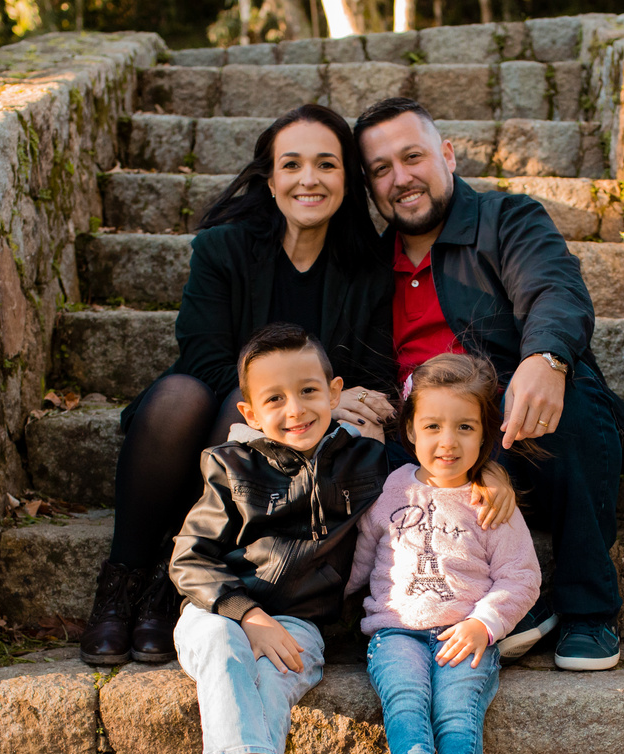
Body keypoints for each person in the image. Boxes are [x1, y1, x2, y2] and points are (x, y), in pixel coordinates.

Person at [81, 103, 399, 667]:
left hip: (300, 451)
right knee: (186, 397)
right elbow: (202, 355)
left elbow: (371, 378)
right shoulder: (224, 248)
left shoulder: (368, 268)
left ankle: (173, 585)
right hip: (216, 413)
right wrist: (285, 398)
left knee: (250, 407)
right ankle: (124, 578)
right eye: (292, 164)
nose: (308, 179)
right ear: (270, 179)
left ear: (347, 181)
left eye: (326, 164)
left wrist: (321, 402)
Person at [354, 97, 624, 672]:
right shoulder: (368, 262)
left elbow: (554, 289)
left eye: (413, 157)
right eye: (381, 169)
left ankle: (587, 609)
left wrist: (546, 356)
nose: (401, 178)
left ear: (446, 154)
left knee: (564, 392)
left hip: (515, 429)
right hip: (419, 445)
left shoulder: (506, 219)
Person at [170, 324, 388, 754]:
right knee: (223, 647)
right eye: (275, 399)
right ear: (249, 411)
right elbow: (189, 559)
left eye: (309, 391)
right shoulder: (230, 466)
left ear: (336, 392)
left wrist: (491, 480)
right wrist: (249, 615)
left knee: (275, 673)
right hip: (220, 611)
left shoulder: (366, 460)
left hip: (299, 622)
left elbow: (436, 473)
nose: (296, 410)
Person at [347, 354, 541, 754]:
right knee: (405, 694)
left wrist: (484, 624)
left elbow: (521, 576)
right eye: (433, 426)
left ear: (486, 435)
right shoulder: (392, 488)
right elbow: (361, 555)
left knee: (457, 712)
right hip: (397, 630)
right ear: (411, 430)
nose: (448, 442)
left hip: (464, 632)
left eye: (465, 427)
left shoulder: (489, 499)